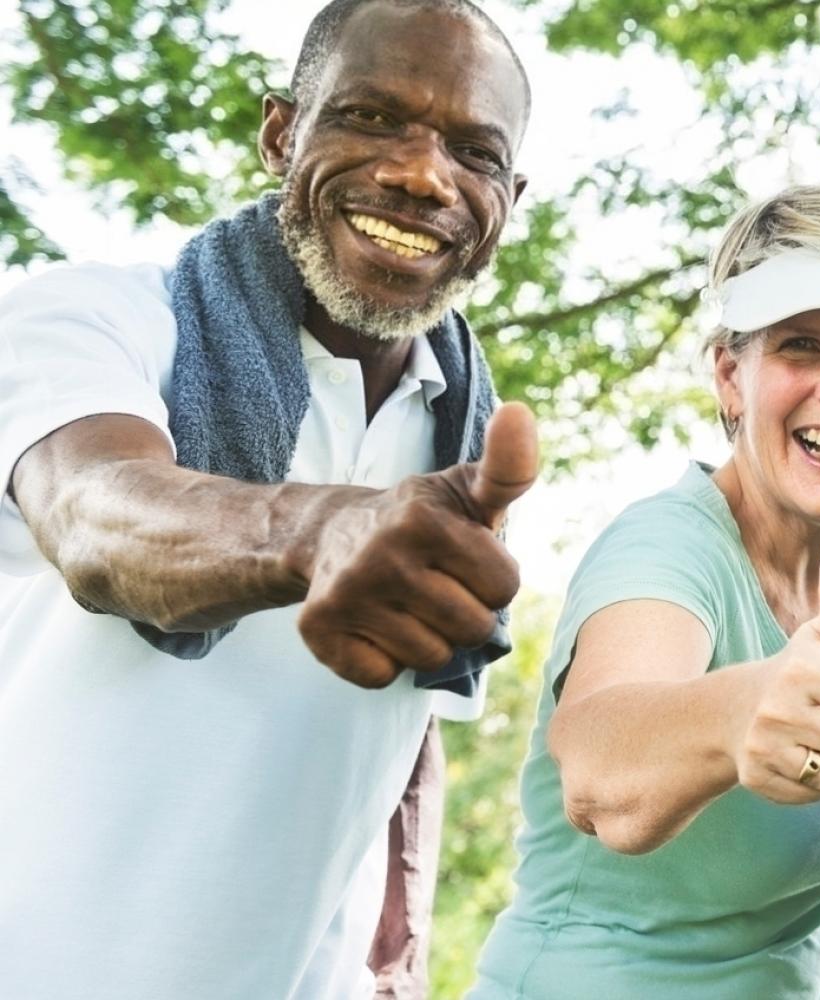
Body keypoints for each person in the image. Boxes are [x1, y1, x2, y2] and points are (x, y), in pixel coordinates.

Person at [0, 1, 536, 997]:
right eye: (374, 119)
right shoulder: (92, 317)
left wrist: (393, 958)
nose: (423, 175)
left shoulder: (466, 430)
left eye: (472, 149)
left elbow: (400, 736)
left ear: (510, 194)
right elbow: (92, 513)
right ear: (281, 132)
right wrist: (320, 527)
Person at [469, 179, 820, 998]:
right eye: (801, 345)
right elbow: (601, 765)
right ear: (731, 376)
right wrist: (737, 711)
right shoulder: (665, 548)